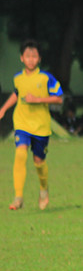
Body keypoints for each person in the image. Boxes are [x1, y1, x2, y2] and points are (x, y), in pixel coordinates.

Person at [0, 40, 64, 210]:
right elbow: (16, 93)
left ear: (39, 59)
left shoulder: (46, 78)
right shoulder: (17, 78)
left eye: (34, 56)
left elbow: (59, 98)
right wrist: (4, 109)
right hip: (21, 123)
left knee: (38, 161)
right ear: (21, 58)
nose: (31, 59)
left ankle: (44, 189)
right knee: (20, 154)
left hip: (41, 126)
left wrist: (37, 100)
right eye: (27, 56)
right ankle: (18, 197)